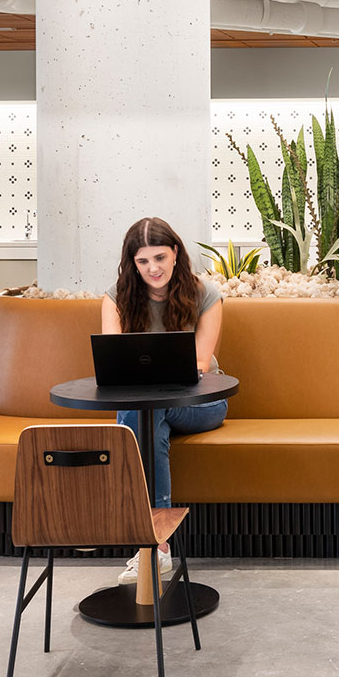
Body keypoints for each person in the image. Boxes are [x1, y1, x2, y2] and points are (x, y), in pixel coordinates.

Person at [101, 217, 225, 584]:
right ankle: (157, 548)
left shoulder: (207, 293)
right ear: (131, 264)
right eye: (142, 261)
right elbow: (114, 359)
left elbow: (201, 364)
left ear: (175, 253)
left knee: (141, 413)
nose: (153, 268)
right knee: (147, 418)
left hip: (203, 403)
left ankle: (145, 543)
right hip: (149, 409)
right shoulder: (116, 298)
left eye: (159, 257)